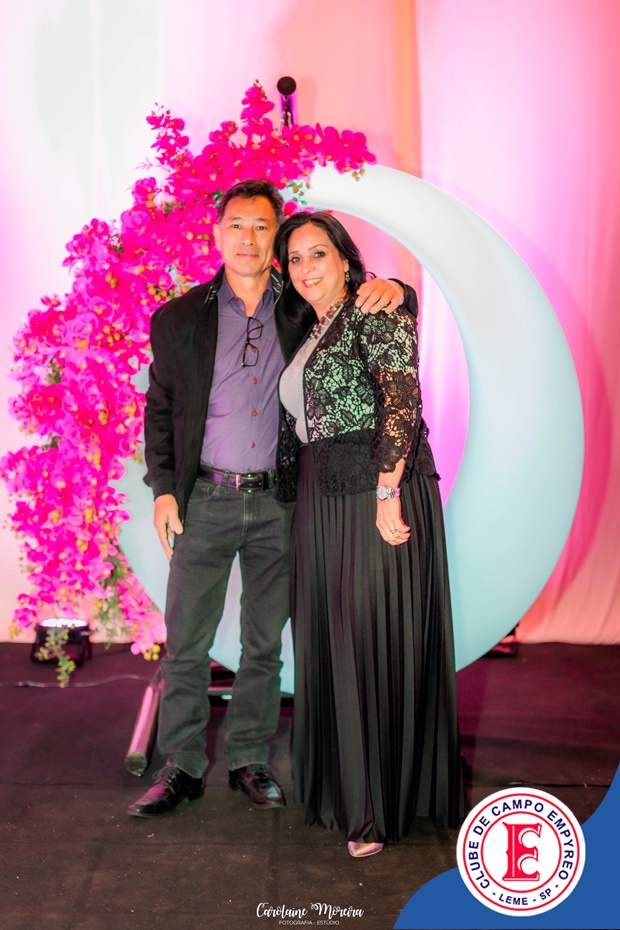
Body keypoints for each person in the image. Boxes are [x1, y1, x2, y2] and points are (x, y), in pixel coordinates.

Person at [128, 180, 415, 817]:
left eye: (262, 227)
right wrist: (164, 491)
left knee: (264, 642)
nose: (248, 238)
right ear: (217, 232)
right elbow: (160, 410)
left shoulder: (300, 306)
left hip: (282, 501)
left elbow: (362, 308)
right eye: (237, 224)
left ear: (277, 237)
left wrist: (400, 290)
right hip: (204, 500)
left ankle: (248, 757)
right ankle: (181, 764)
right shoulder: (179, 318)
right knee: (186, 642)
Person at [275, 212, 463, 857]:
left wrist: (387, 492)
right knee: (332, 637)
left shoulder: (374, 308)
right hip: (321, 495)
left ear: (345, 258)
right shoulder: (311, 324)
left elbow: (401, 399)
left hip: (373, 490)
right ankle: (348, 789)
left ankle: (373, 810)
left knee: (365, 638)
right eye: (295, 259)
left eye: (318, 254)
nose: (306, 268)